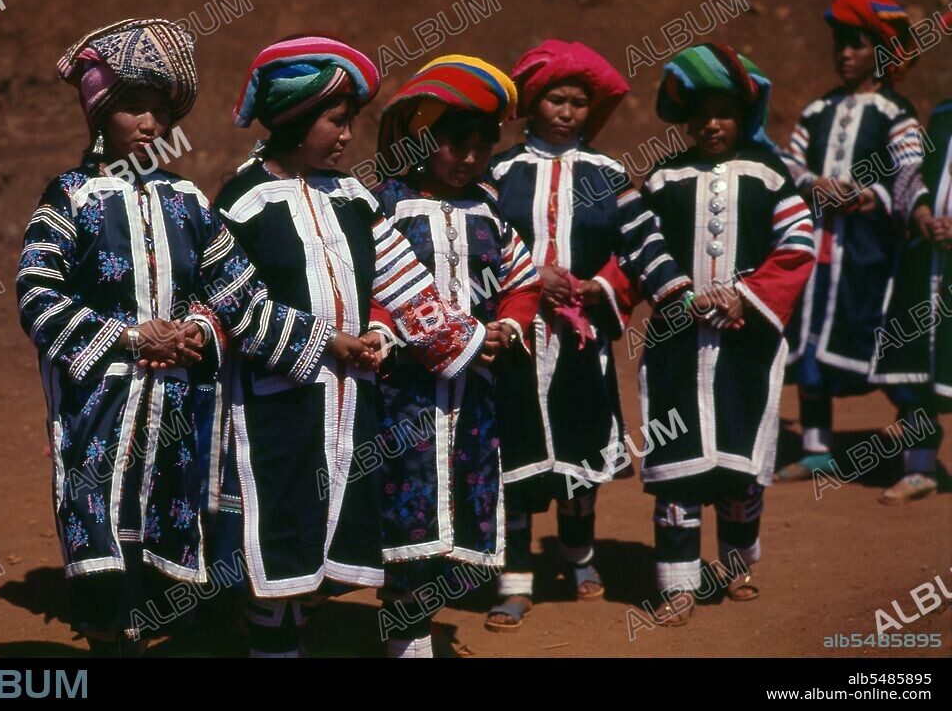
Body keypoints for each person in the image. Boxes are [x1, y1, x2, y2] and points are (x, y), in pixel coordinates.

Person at [17, 19, 341, 656]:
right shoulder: (70, 197)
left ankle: (154, 625)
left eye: (161, 112)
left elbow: (236, 293)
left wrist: (202, 331)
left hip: (176, 401)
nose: (150, 124)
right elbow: (37, 295)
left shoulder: (186, 199)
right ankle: (111, 634)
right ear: (100, 113)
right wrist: (131, 338)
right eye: (134, 107)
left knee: (168, 511)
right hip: (101, 399)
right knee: (100, 517)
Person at [214, 35, 486, 657]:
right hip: (276, 402)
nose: (346, 135)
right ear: (294, 120)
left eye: (350, 122)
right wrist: (322, 343)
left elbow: (400, 278)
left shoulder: (354, 197)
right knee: (278, 522)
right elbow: (230, 300)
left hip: (349, 399)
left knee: (332, 522)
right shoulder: (242, 202)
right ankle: (271, 645)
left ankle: (295, 628)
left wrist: (448, 339)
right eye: (335, 121)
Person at [485, 39, 692, 631]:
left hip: (583, 340)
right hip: (516, 337)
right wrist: (529, 278)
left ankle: (579, 554)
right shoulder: (499, 173)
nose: (568, 112)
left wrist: (606, 287)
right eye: (556, 99)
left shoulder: (608, 174)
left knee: (582, 447)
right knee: (516, 451)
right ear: (532, 103)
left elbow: (642, 244)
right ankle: (515, 579)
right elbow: (479, 246)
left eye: (579, 102)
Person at [638, 43, 815, 624]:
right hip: (676, 342)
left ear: (744, 117)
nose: (712, 125)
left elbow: (798, 245)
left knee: (738, 457)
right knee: (679, 457)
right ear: (685, 120)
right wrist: (669, 293)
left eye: (725, 113)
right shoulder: (664, 178)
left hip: (746, 343)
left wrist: (746, 298)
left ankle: (735, 565)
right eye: (702, 114)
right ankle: (678, 584)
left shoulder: (770, 176)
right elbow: (639, 245)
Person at [371, 55, 542, 657]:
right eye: (455, 144)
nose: (469, 158)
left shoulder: (490, 210)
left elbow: (522, 280)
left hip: (473, 397)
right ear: (424, 141)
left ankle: (415, 633)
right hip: (402, 394)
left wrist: (508, 329)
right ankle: (403, 643)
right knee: (404, 518)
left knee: (453, 521)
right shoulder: (385, 205)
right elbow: (370, 288)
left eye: (481, 146)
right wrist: (385, 335)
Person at [779, 0, 926, 481]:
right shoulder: (817, 111)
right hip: (819, 249)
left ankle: (918, 459)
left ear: (880, 52)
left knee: (885, 340)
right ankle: (816, 448)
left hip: (870, 254)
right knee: (809, 338)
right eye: (839, 44)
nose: (843, 54)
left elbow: (909, 174)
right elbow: (788, 162)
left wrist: (870, 197)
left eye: (856, 45)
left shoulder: (895, 113)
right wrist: (811, 183)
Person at [870, 75, 952, 503]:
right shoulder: (942, 117)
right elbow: (914, 174)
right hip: (930, 262)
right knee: (918, 365)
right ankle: (919, 467)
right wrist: (920, 211)